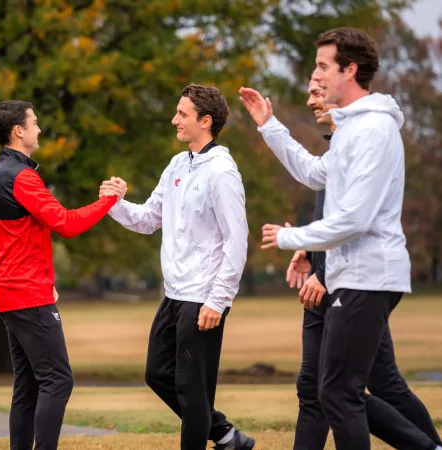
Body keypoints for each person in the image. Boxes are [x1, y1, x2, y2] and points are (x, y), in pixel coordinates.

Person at [239, 27, 439, 450]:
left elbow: (356, 218)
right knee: (346, 389)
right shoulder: (350, 130)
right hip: (355, 275)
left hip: (369, 275)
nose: (317, 76)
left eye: (324, 66)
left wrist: (296, 239)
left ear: (350, 69)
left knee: (337, 393)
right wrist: (269, 126)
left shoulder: (372, 131)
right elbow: (315, 174)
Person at [285, 79, 442, 450]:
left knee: (350, 388)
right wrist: (309, 247)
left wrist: (324, 274)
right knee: (322, 388)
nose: (310, 101)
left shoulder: (366, 140)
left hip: (349, 282)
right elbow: (331, 214)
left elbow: (359, 218)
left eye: (317, 91)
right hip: (329, 280)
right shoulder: (336, 146)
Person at [100, 84, 254, 450]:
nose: (174, 120)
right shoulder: (177, 165)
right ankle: (226, 435)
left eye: (182, 114)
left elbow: (237, 241)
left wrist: (218, 300)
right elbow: (149, 218)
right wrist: (115, 202)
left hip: (203, 296)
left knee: (191, 387)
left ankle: (221, 437)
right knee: (157, 374)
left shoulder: (223, 172)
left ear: (205, 121)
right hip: (174, 293)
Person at [0, 100, 121, 450]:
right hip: (28, 294)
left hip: (8, 293)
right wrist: (109, 199)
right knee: (58, 380)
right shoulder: (21, 177)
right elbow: (66, 223)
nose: (39, 128)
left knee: (29, 384)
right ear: (18, 131)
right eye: (34, 122)